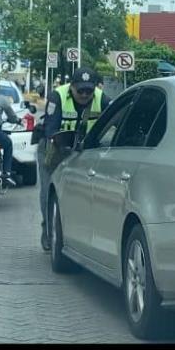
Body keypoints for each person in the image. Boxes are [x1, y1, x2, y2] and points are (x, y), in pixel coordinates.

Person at [35, 66, 111, 251]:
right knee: (49, 191)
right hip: (54, 149)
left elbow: (114, 122)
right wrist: (65, 146)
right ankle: (48, 231)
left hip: (83, 151)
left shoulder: (102, 98)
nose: (85, 95)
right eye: (81, 90)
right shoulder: (57, 96)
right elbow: (51, 129)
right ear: (72, 87)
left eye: (89, 90)